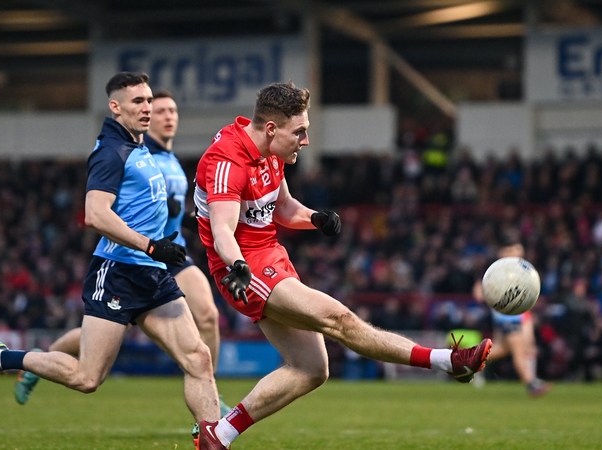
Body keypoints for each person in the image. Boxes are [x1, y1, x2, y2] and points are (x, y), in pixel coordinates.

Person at [190, 81, 492, 450]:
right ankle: (449, 361)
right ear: (272, 128)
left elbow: (283, 207)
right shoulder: (227, 160)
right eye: (299, 132)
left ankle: (218, 435)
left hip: (271, 258)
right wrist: (237, 265)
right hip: (243, 269)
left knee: (312, 369)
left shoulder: (270, 152)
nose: (306, 140)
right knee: (340, 319)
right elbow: (222, 228)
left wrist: (315, 218)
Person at [0, 72, 221, 426]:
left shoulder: (139, 147)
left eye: (149, 100)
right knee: (87, 378)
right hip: (119, 273)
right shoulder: (111, 152)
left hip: (154, 275)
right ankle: (1, 359)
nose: (148, 108)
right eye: (138, 102)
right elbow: (95, 215)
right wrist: (152, 246)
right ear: (115, 107)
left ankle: (213, 439)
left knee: (198, 359)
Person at [12, 89, 231, 416]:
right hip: (139, 255)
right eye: (160, 111)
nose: (168, 116)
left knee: (209, 317)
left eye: (172, 111)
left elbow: (168, 212)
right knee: (100, 336)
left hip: (172, 254)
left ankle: (207, 390)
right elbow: (108, 210)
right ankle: (34, 364)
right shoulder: (141, 157)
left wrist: (190, 218)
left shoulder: (170, 161)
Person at [473, 242, 551, 397]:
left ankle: (465, 361)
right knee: (518, 351)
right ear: (503, 251)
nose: (517, 253)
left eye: (519, 249)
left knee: (502, 350)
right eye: (513, 249)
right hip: (506, 316)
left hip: (517, 314)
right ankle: (531, 384)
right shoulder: (495, 270)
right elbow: (478, 293)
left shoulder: (520, 269)